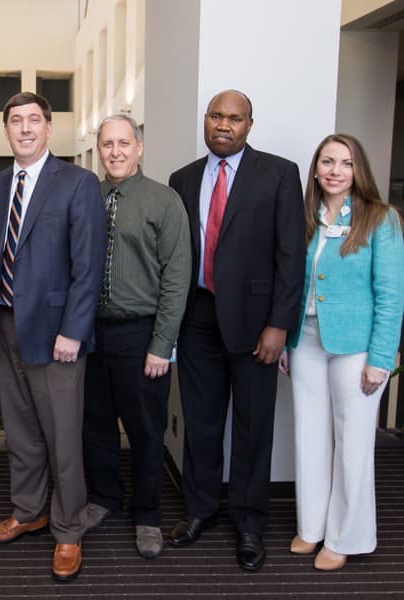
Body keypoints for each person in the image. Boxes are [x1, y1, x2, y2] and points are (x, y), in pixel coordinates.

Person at [0, 91, 107, 582]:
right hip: (4, 325)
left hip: (56, 334)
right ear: (5, 130)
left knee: (63, 437)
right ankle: (29, 511)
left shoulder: (78, 183)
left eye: (33, 120)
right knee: (21, 432)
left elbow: (88, 267)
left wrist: (74, 330)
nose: (24, 128)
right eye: (15, 121)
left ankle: (68, 529)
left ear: (49, 128)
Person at [167, 90, 305, 572]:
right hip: (198, 318)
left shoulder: (280, 174)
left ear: (250, 124)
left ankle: (249, 524)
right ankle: (200, 510)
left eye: (234, 118)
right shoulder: (181, 179)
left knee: (252, 429)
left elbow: (292, 256)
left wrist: (279, 325)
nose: (224, 125)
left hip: (256, 326)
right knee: (201, 425)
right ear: (205, 120)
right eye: (216, 116)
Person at [281, 134, 404, 571]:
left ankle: (345, 536)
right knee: (309, 437)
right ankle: (311, 527)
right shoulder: (305, 218)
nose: (335, 170)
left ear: (358, 170)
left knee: (352, 443)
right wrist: (287, 339)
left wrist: (381, 359)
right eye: (327, 161)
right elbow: (294, 285)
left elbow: (391, 297)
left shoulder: (381, 219)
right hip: (307, 341)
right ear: (315, 169)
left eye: (345, 163)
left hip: (356, 347)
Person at [82, 115, 191, 559]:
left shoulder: (164, 202)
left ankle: (148, 516)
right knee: (95, 425)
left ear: (139, 147)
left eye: (123, 143)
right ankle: (104, 497)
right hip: (90, 334)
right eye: (107, 144)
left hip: (140, 333)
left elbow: (177, 279)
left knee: (146, 430)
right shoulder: (87, 196)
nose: (115, 152)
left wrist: (161, 345)